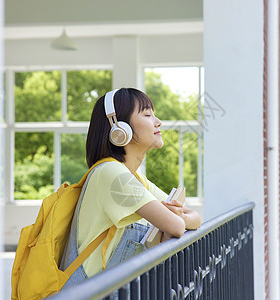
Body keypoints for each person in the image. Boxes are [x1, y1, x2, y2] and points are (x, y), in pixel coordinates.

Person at [60, 88, 201, 287]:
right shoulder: (111, 174)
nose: (158, 121)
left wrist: (180, 216)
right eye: (147, 114)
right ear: (119, 130)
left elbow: (195, 217)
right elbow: (177, 226)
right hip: (89, 293)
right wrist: (179, 218)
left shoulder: (134, 179)